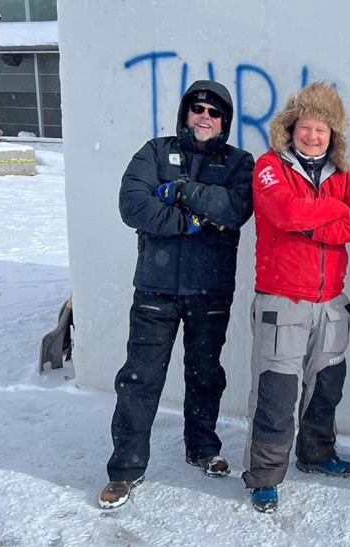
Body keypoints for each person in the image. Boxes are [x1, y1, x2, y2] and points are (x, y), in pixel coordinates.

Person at [98, 80, 255, 509]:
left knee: (205, 375)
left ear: (225, 121)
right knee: (139, 379)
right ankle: (125, 469)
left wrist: (181, 190)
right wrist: (190, 222)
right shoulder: (154, 151)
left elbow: (235, 210)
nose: (205, 117)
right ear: (186, 113)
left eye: (215, 112)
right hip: (155, 287)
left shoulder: (240, 162)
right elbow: (133, 205)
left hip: (211, 289)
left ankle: (202, 448)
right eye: (198, 109)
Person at [242, 81, 350, 513]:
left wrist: (317, 226)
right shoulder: (270, 166)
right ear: (291, 127)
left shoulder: (341, 175)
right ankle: (263, 475)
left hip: (331, 303)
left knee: (325, 387)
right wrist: (338, 212)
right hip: (283, 302)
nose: (313, 136)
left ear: (332, 135)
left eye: (322, 129)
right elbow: (284, 212)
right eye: (307, 127)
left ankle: (316, 453)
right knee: (276, 393)